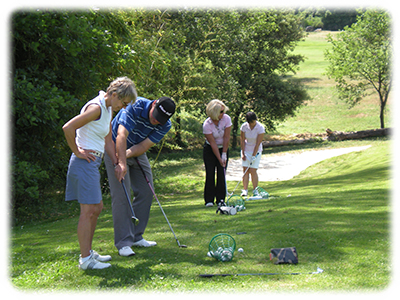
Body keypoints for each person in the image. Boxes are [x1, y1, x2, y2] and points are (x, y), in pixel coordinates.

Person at [63, 77, 137, 270]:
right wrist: (77, 151)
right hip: (84, 163)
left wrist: (117, 163)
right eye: (123, 102)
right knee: (88, 212)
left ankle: (88, 252)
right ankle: (85, 260)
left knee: (96, 208)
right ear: (114, 95)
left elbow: (108, 141)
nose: (123, 107)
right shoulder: (96, 108)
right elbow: (68, 128)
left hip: (93, 163)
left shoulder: (107, 109)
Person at [104, 96, 176, 257]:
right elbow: (121, 135)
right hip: (114, 147)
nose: (155, 121)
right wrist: (120, 161)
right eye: (155, 116)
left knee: (146, 190)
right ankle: (124, 243)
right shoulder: (135, 105)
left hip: (136, 151)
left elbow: (143, 146)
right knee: (122, 195)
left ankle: (136, 236)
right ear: (154, 103)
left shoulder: (165, 124)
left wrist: (127, 155)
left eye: (160, 120)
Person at [202, 99, 232, 207]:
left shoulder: (226, 119)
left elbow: (227, 137)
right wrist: (219, 158)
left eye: (223, 111)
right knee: (210, 174)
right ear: (214, 113)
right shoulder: (207, 124)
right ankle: (209, 200)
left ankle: (220, 199)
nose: (223, 114)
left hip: (223, 147)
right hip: (210, 149)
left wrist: (224, 154)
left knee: (221, 173)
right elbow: (213, 143)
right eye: (221, 112)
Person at [240, 111, 265, 197]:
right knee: (245, 170)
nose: (252, 124)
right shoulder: (244, 127)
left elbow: (258, 143)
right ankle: (245, 190)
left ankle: (255, 190)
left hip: (256, 151)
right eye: (250, 122)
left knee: (253, 170)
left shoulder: (260, 128)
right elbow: (242, 140)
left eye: (253, 122)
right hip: (247, 150)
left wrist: (254, 156)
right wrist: (243, 153)